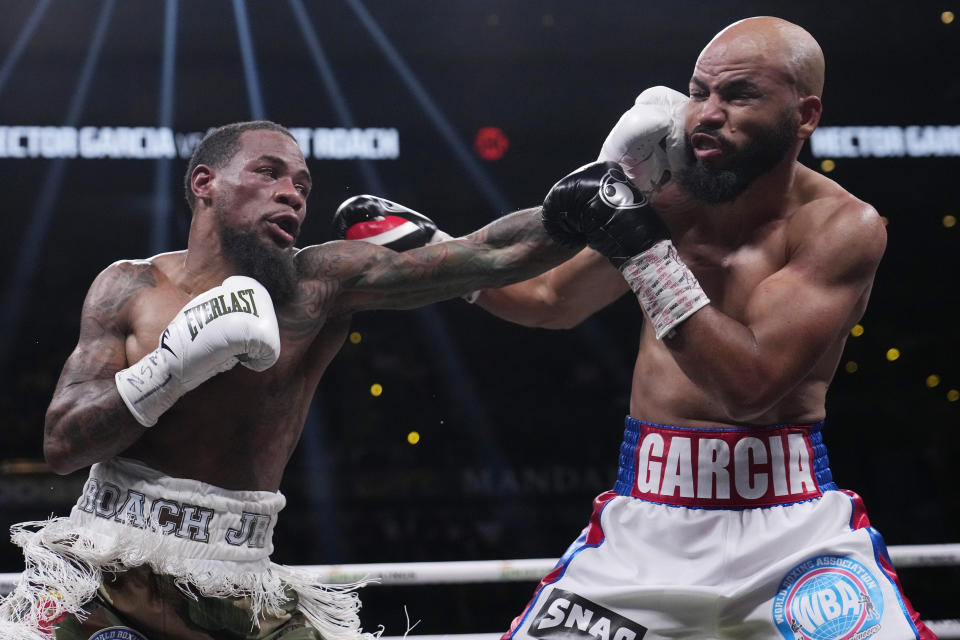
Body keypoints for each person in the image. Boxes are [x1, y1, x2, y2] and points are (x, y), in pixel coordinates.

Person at [336, 16, 935, 640]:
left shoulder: (841, 227)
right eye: (699, 91)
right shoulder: (667, 202)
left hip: (793, 534)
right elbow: (547, 298)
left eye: (737, 95)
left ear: (804, 115)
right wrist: (442, 253)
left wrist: (639, 246)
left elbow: (750, 386)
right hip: (647, 527)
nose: (706, 112)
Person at [0, 120, 579, 640]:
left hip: (239, 589)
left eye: (303, 185)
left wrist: (604, 190)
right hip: (105, 571)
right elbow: (62, 444)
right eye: (269, 172)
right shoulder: (128, 286)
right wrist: (170, 367)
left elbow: (493, 254)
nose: (292, 194)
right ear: (205, 183)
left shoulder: (319, 284)